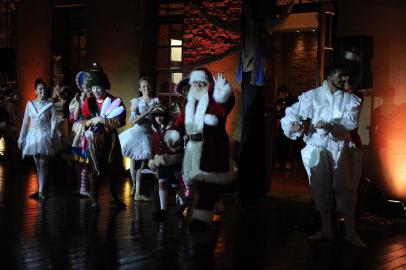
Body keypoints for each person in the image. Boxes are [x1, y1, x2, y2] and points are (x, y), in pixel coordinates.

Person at [280, 62, 367, 248]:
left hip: (340, 147)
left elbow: (350, 122)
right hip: (317, 146)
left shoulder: (349, 99)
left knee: (345, 186)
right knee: (320, 185)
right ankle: (326, 228)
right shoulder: (312, 96)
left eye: (345, 77)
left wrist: (330, 126)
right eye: (340, 76)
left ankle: (350, 232)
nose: (343, 80)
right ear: (329, 77)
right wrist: (294, 125)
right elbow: (290, 113)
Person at [174, 67, 235, 232]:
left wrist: (224, 92)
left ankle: (201, 220)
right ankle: (212, 207)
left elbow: (225, 107)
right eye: (196, 82)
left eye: (202, 82)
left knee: (207, 184)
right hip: (196, 151)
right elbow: (181, 121)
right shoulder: (190, 102)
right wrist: (174, 133)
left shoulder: (216, 100)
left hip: (213, 150)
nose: (198, 85)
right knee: (201, 185)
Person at [81, 62, 126, 210]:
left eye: (99, 87)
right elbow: (83, 119)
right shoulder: (89, 101)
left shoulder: (115, 101)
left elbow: (120, 121)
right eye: (93, 88)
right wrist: (88, 123)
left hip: (110, 140)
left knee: (112, 169)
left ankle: (114, 198)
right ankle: (94, 200)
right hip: (95, 140)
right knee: (94, 169)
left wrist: (103, 120)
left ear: (104, 86)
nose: (96, 91)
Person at [18, 78, 62, 200]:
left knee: (43, 163)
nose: (43, 91)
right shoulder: (30, 104)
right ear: (35, 91)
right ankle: (40, 189)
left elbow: (53, 122)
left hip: (45, 135)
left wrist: (52, 137)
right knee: (38, 163)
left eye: (44, 89)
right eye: (40, 89)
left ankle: (42, 190)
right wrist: (21, 138)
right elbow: (25, 122)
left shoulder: (50, 105)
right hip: (33, 136)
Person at [119, 77, 159, 202]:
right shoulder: (136, 101)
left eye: (148, 86)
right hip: (136, 133)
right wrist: (146, 112)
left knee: (141, 164)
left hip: (148, 134)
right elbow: (133, 121)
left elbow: (158, 118)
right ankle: (136, 187)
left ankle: (137, 191)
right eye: (143, 87)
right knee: (134, 164)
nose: (146, 88)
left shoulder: (156, 101)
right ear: (140, 89)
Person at [147, 104, 187, 220]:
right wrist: (153, 159)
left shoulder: (174, 129)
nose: (159, 118)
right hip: (161, 162)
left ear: (166, 116)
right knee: (162, 183)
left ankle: (184, 202)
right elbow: (154, 148)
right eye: (156, 116)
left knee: (175, 185)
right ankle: (163, 210)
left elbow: (178, 147)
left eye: (161, 116)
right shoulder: (158, 131)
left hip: (173, 162)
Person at [69, 71, 91, 197]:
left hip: (87, 127)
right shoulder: (77, 97)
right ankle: (79, 186)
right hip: (78, 130)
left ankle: (85, 186)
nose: (85, 85)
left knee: (86, 159)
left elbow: (90, 114)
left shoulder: (93, 97)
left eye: (87, 83)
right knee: (78, 160)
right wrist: (79, 102)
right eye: (83, 83)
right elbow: (75, 116)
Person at [272, 85, 297, 170]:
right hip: (281, 126)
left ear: (286, 93)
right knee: (280, 143)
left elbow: (295, 111)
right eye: (280, 94)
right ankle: (279, 161)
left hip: (291, 126)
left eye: (282, 94)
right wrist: (277, 109)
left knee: (290, 144)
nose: (281, 96)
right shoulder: (278, 101)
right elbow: (275, 112)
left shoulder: (293, 100)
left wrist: (285, 107)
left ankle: (290, 162)